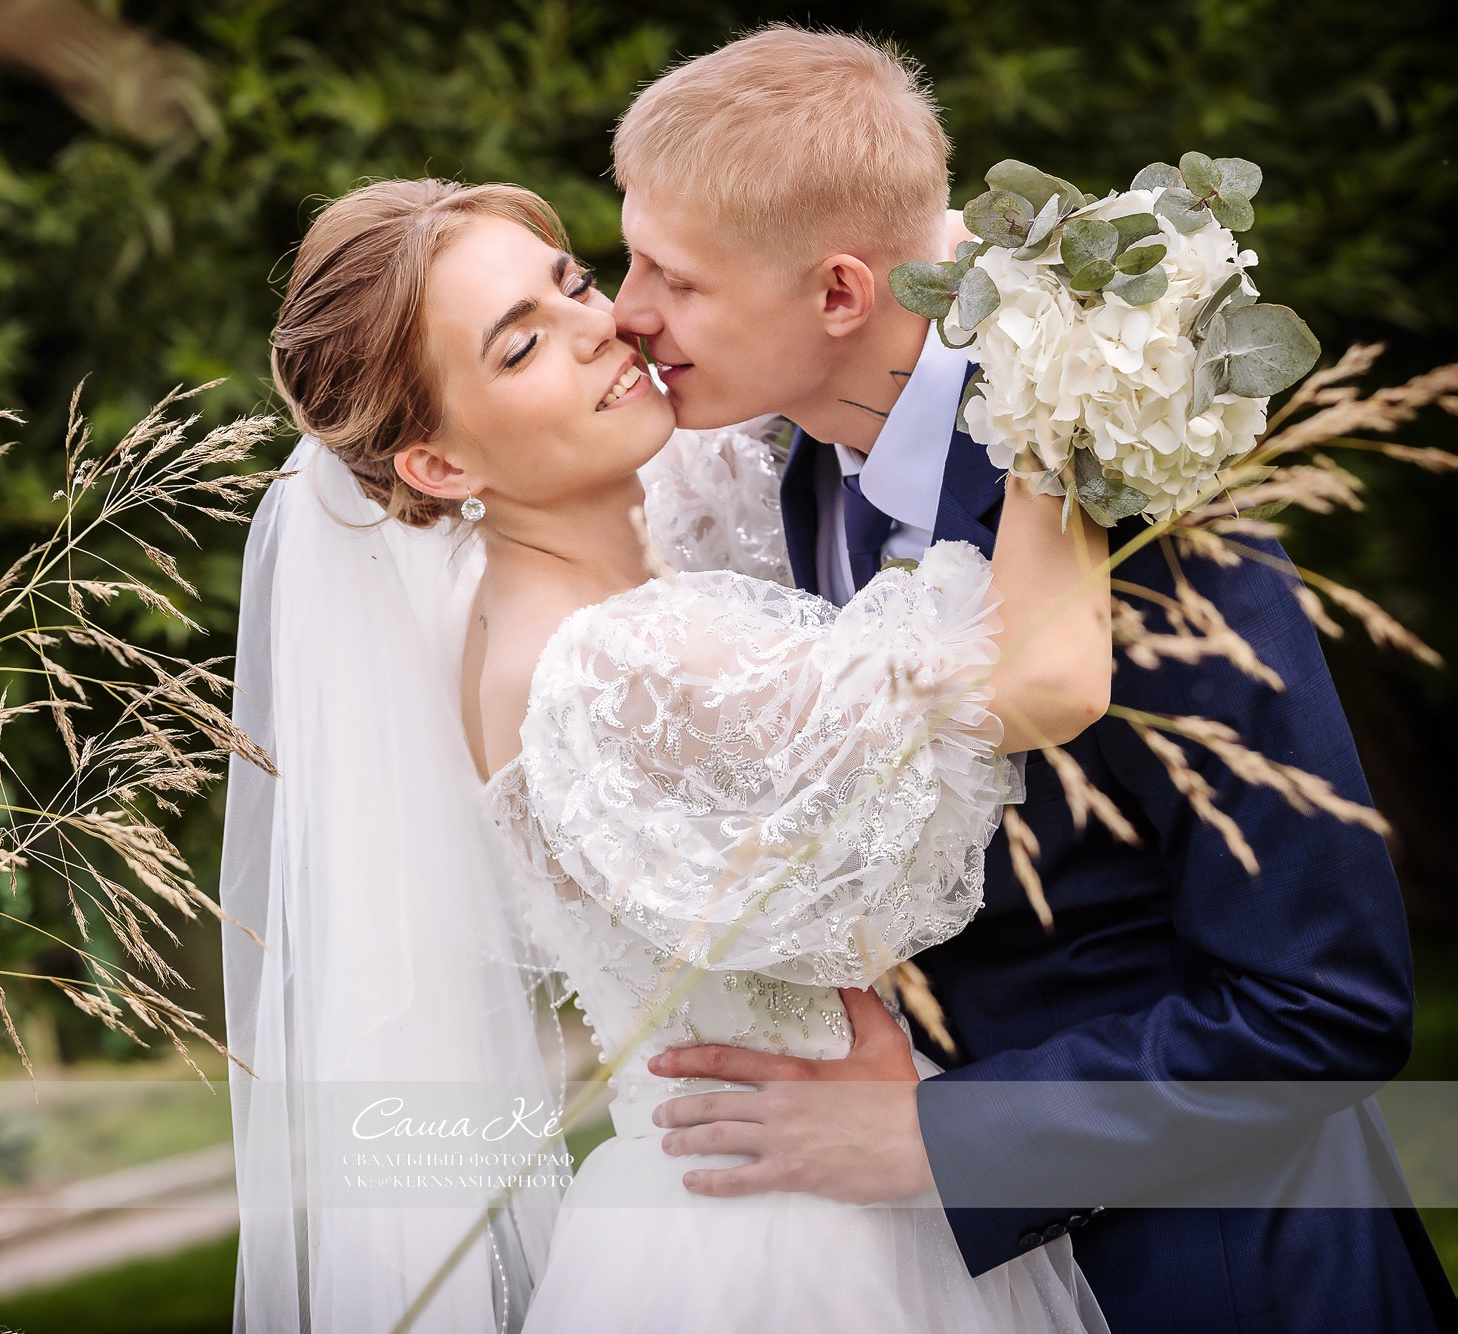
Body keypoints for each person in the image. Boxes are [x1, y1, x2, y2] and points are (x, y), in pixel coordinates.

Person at [605, 24, 1458, 1334]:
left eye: (672, 275)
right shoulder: (789, 467)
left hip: (1222, 1275)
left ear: (838, 294)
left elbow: (1322, 1000)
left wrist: (938, 1142)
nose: (626, 310)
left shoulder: (1124, 471)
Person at [222, 173, 1114, 1331]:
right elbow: (1031, 672)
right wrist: (1071, 361)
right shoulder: (613, 666)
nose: (604, 329)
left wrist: (905, 239)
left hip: (743, 1195)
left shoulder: (545, 581)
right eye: (519, 347)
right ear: (439, 468)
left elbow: (774, 338)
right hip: (794, 1244)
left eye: (573, 282)